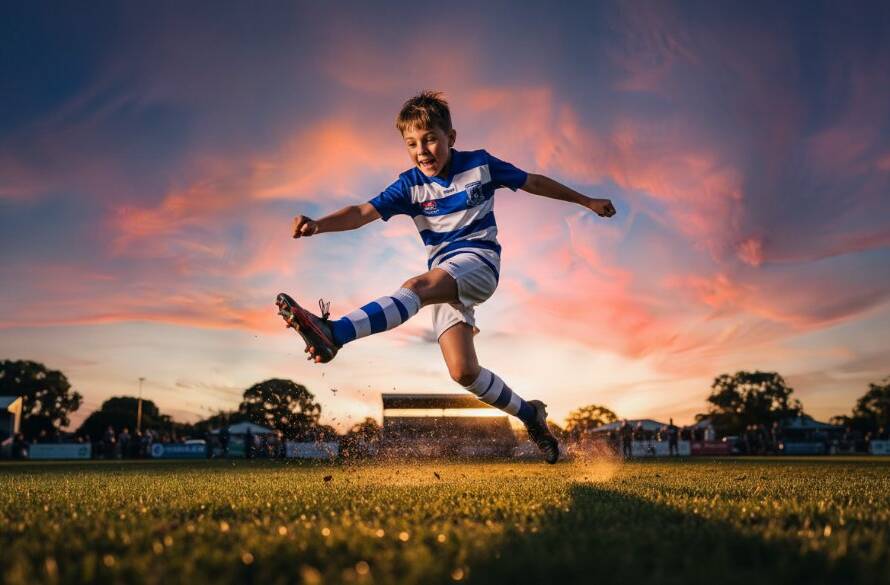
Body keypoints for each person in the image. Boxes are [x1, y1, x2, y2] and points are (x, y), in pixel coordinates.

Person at [277, 91, 616, 464]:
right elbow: (361, 212)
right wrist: (317, 226)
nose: (422, 150)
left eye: (430, 139)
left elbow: (532, 181)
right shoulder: (408, 185)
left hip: (479, 262)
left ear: (451, 137)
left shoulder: (481, 165)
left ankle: (336, 332)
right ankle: (529, 414)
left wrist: (586, 201)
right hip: (444, 276)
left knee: (416, 287)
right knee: (463, 372)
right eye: (411, 143)